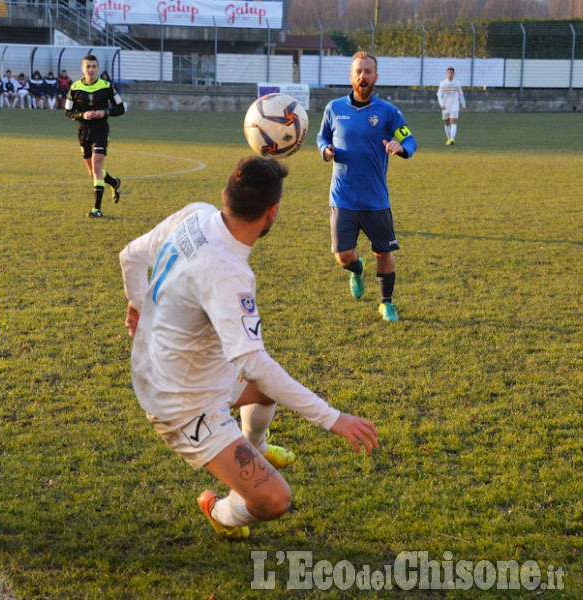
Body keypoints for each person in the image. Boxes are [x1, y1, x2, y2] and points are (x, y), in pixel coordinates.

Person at [119, 156, 379, 539]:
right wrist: (331, 417)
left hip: (167, 364)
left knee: (267, 392)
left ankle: (255, 445)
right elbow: (253, 362)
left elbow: (130, 256)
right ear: (272, 213)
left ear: (225, 195)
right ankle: (218, 510)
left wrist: (138, 303)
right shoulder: (229, 272)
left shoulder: (196, 214)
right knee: (273, 501)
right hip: (180, 401)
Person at [317, 51, 417, 323]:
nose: (363, 76)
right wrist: (324, 151)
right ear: (351, 76)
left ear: (376, 77)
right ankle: (356, 270)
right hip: (343, 197)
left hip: (375, 199)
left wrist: (401, 147)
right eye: (358, 71)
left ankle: (386, 303)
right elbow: (322, 136)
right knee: (342, 256)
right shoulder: (334, 108)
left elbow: (410, 141)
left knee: (383, 252)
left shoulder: (387, 112)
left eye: (368, 72)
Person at [64, 54, 124, 218]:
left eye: (94, 66)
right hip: (83, 132)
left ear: (98, 68)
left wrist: (104, 112)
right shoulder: (74, 88)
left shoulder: (106, 86)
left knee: (97, 168)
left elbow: (120, 108)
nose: (91, 69)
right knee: (93, 173)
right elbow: (68, 112)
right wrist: (82, 115)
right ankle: (114, 182)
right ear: (82, 69)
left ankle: (97, 209)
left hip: (101, 131)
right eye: (88, 66)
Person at [437, 67, 467, 145]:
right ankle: (449, 138)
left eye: (451, 73)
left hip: (454, 106)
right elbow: (439, 95)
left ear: (454, 74)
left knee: (453, 122)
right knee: (447, 123)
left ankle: (452, 139)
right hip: (445, 106)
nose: (450, 74)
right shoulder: (443, 84)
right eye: (449, 73)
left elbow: (461, 95)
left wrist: (463, 105)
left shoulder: (457, 83)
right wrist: (441, 104)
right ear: (446, 74)